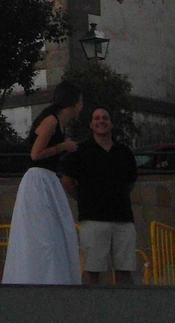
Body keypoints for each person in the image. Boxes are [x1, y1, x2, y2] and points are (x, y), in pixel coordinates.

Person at [2, 82, 82, 285]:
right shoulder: (51, 122)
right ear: (72, 102)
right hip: (38, 180)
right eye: (80, 102)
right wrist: (61, 147)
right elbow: (35, 154)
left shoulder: (59, 123)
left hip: (48, 179)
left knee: (56, 234)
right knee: (43, 236)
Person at [63, 105, 139, 285]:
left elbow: (131, 181)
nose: (101, 121)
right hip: (93, 220)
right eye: (96, 118)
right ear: (90, 124)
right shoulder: (80, 151)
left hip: (123, 220)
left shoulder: (124, 152)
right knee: (92, 270)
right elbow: (67, 182)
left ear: (111, 124)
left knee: (125, 271)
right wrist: (83, 198)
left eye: (105, 118)